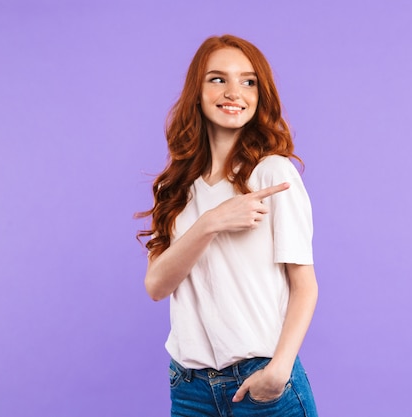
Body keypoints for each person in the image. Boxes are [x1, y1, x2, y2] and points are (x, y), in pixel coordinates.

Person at [136, 34, 319, 417]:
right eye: (218, 79)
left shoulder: (273, 174)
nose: (234, 92)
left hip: (262, 381)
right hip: (189, 389)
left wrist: (278, 372)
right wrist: (210, 223)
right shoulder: (175, 187)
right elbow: (156, 286)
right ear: (197, 92)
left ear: (260, 94)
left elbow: (305, 286)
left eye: (248, 81)